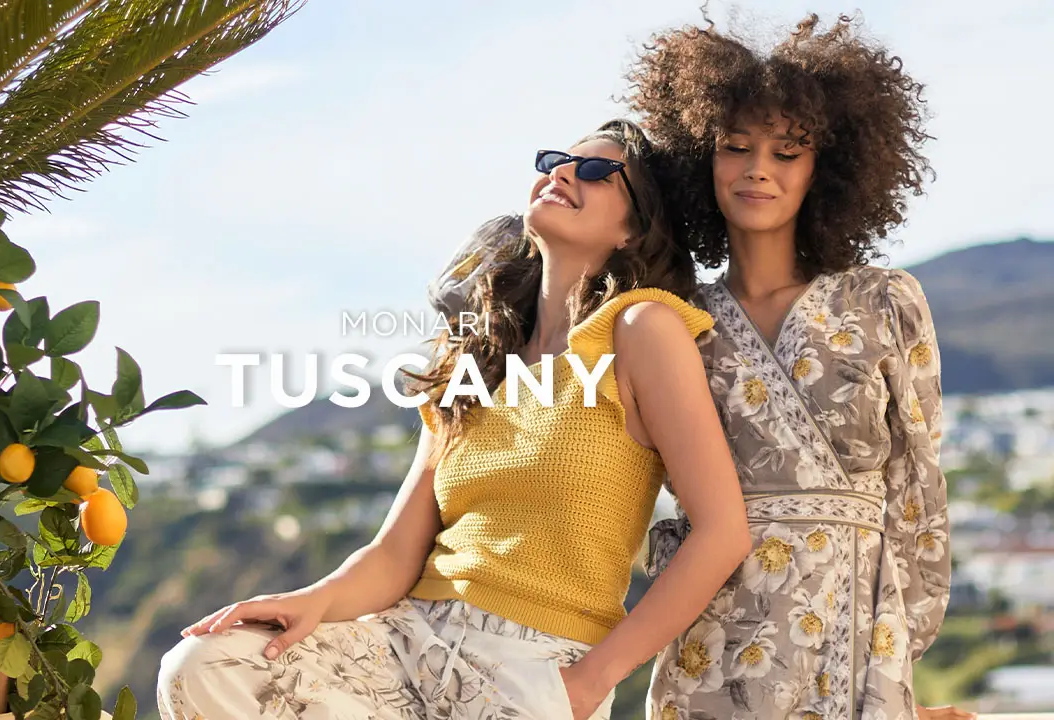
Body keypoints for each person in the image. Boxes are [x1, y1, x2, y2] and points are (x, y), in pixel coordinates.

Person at [156, 119, 751, 720]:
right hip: (404, 640)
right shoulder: (476, 356)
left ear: (633, 229)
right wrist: (315, 597)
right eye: (554, 161)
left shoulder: (639, 330)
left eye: (597, 171)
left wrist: (593, 681)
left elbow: (722, 530)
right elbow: (394, 555)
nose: (562, 173)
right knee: (207, 666)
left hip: (533, 670)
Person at [626, 13, 972, 720]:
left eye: (787, 152)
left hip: (855, 640)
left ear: (825, 169)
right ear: (701, 157)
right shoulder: (676, 321)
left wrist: (900, 665)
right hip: (712, 643)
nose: (758, 167)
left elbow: (918, 494)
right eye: (735, 146)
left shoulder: (883, 301)